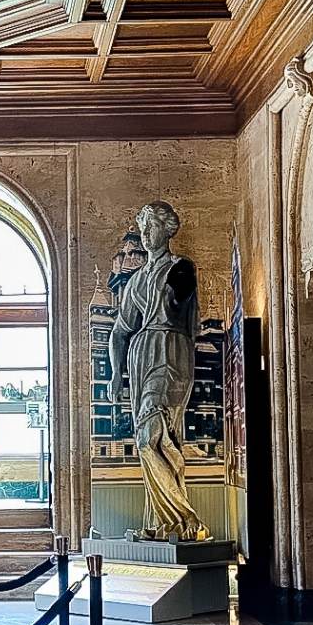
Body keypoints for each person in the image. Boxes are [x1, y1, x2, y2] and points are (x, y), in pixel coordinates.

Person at [109, 201, 208, 541]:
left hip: (170, 351)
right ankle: (164, 524)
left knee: (151, 436)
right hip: (141, 356)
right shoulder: (136, 280)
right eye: (143, 227)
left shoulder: (181, 268)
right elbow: (120, 331)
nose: (146, 233)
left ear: (168, 230)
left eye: (151, 226)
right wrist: (116, 373)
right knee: (158, 439)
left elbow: (180, 307)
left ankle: (184, 516)